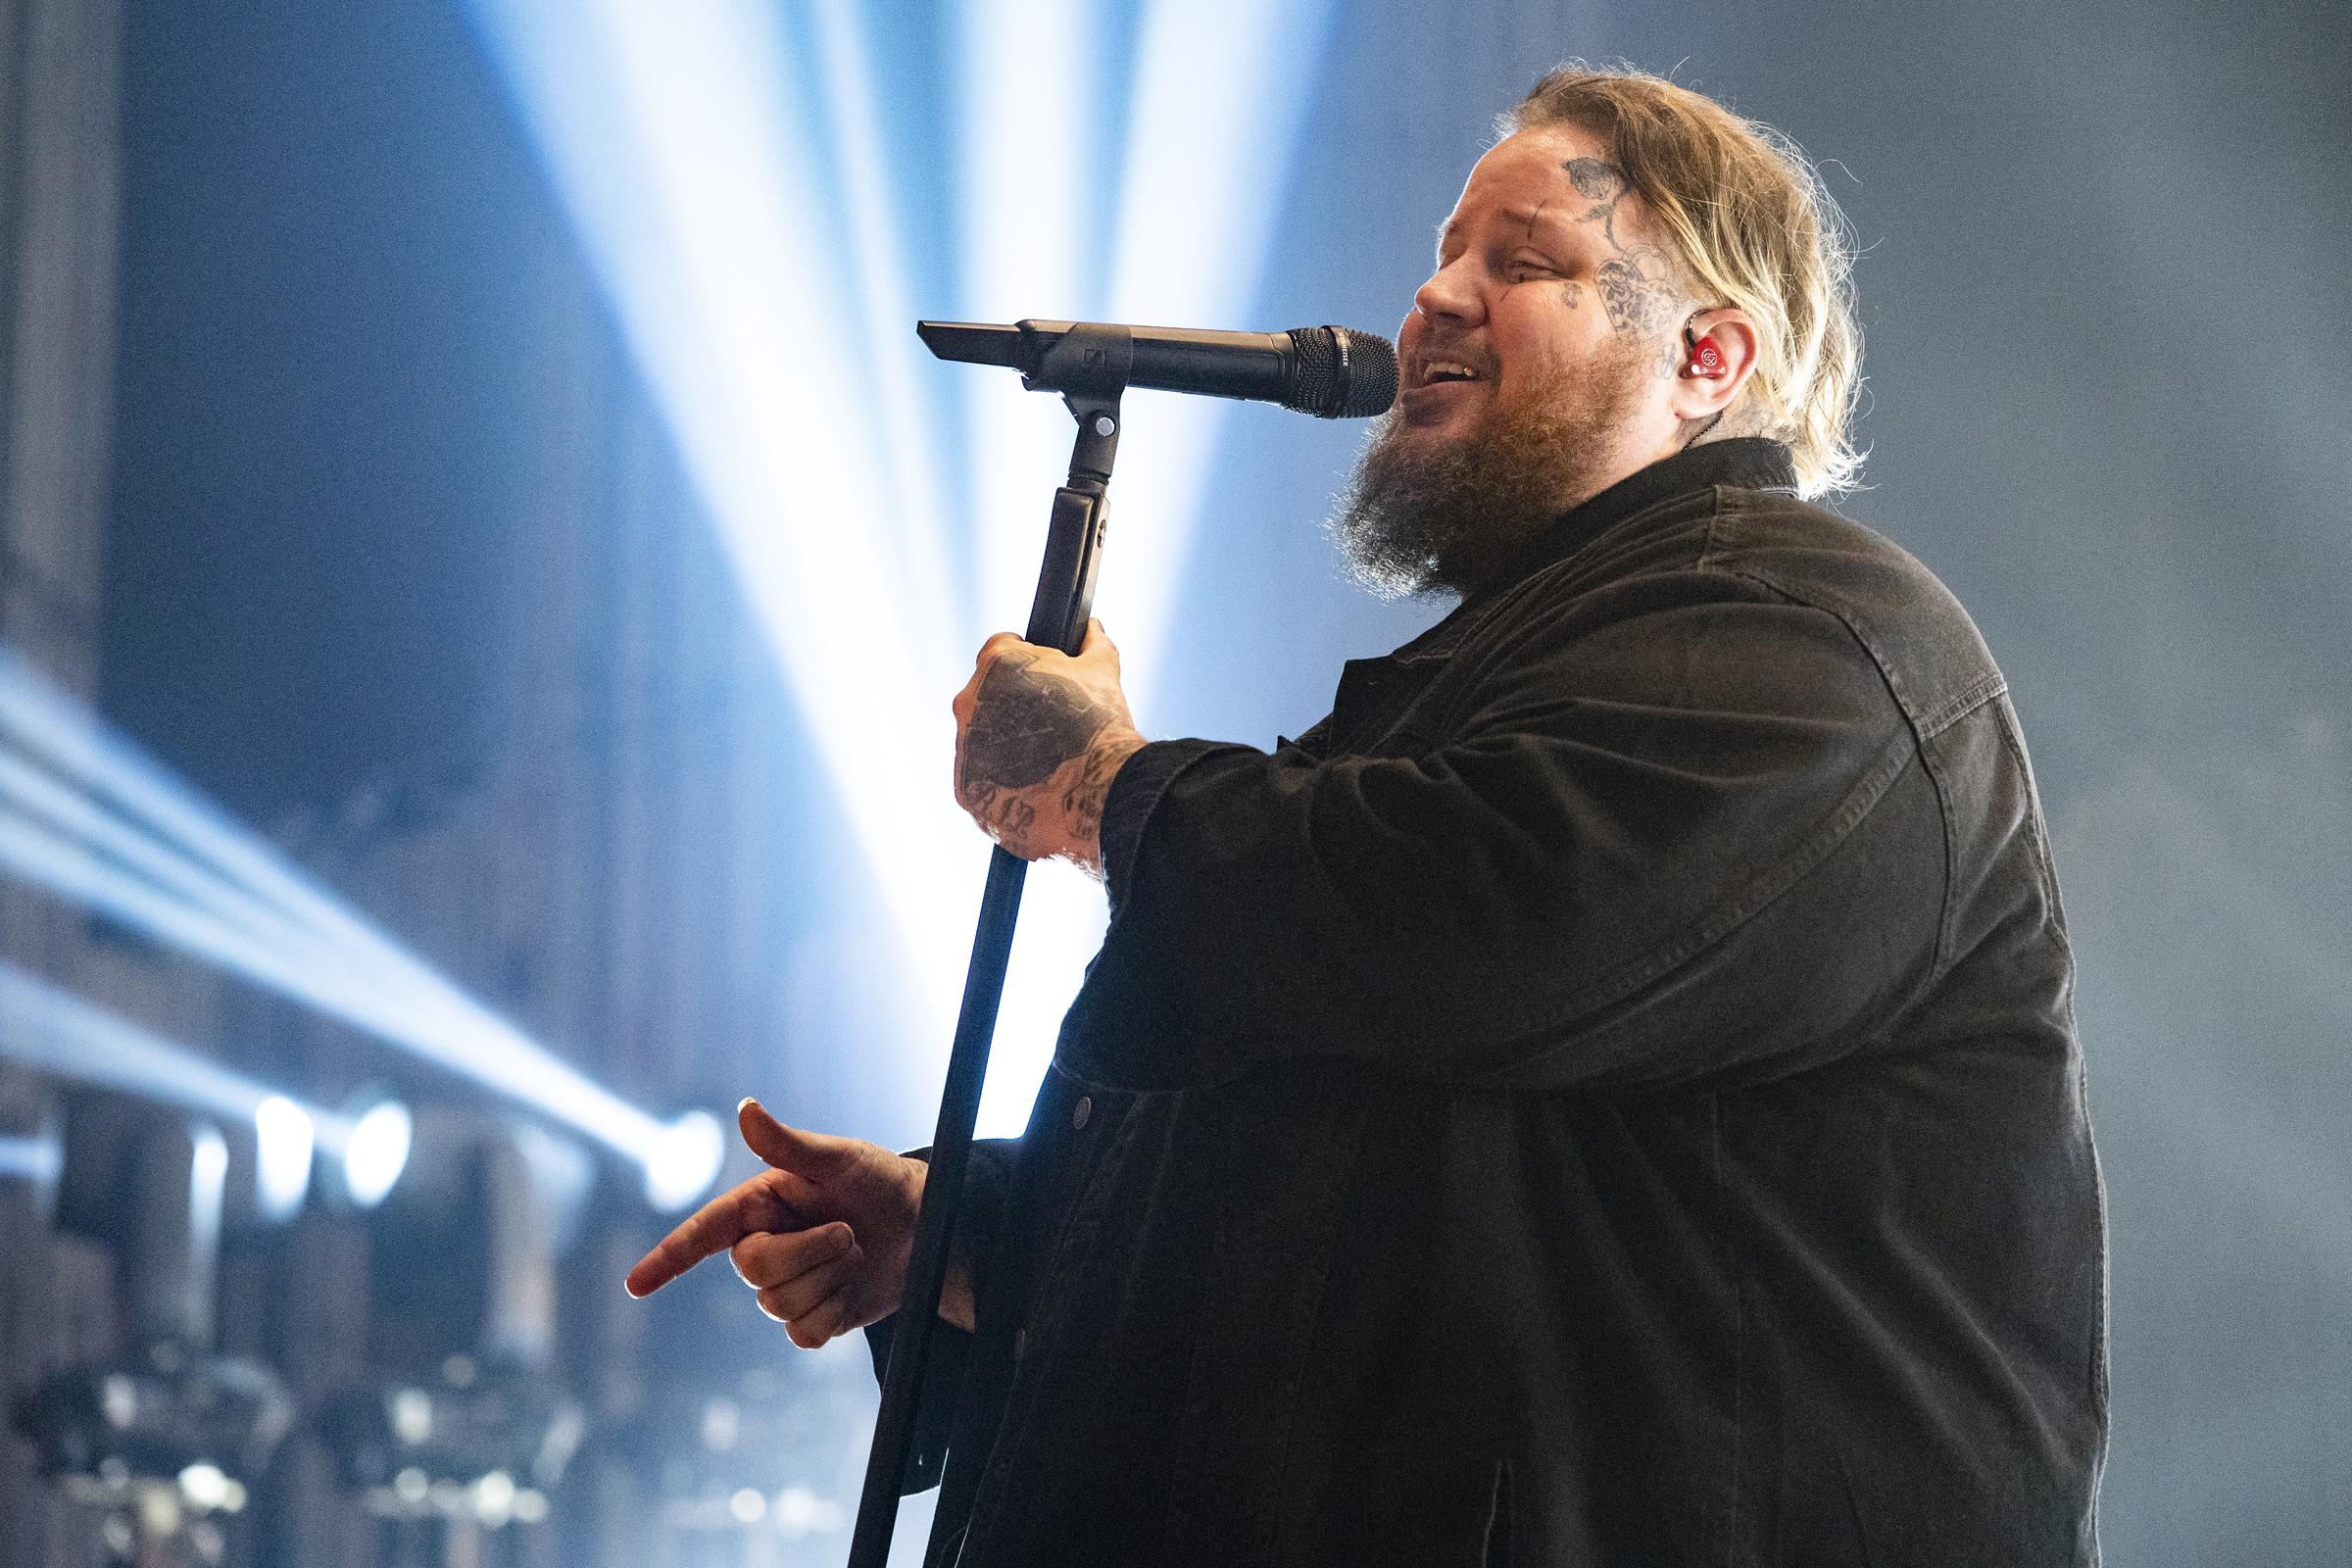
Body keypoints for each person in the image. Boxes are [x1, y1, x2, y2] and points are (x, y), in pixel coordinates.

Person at [625, 64, 2109, 1567]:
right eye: (1445, 252)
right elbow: (1340, 1203)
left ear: (1707, 355)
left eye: (1520, 263)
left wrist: (1106, 791)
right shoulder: (1490, 686)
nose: (1433, 295)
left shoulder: (1810, 643)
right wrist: (962, 1242)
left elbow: (1485, 934)